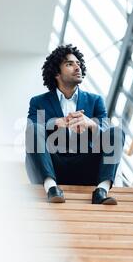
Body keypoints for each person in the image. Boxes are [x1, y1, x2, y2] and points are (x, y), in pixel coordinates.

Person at [25, 44, 124, 204]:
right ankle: (51, 188)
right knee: (34, 128)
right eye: (69, 64)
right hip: (53, 166)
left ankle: (101, 191)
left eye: (78, 63)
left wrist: (91, 124)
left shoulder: (95, 100)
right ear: (56, 73)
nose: (77, 67)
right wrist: (56, 122)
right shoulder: (38, 102)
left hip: (86, 167)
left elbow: (106, 134)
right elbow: (32, 131)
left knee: (116, 132)